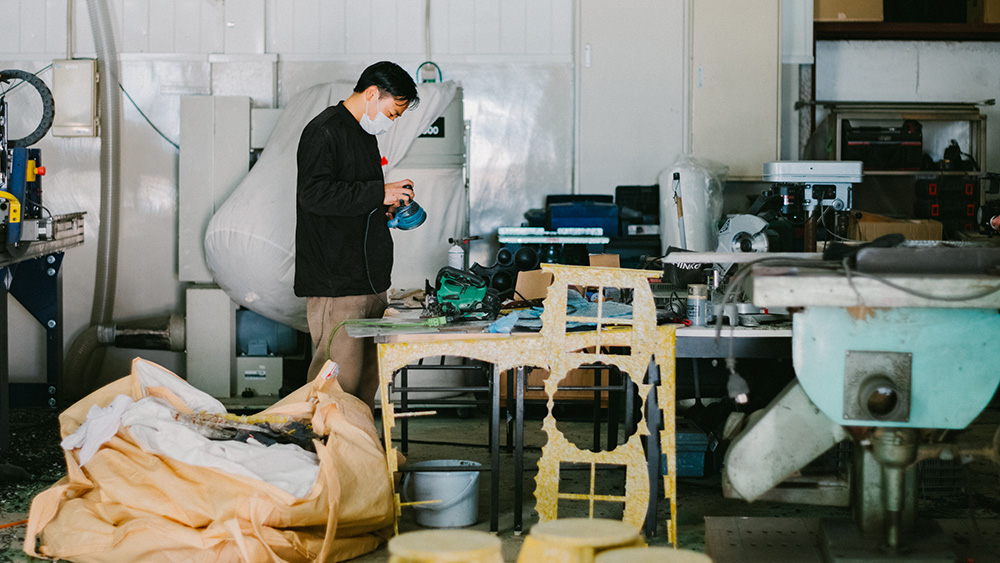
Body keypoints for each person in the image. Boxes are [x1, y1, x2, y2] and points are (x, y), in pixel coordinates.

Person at [295, 61, 419, 410]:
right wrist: (379, 193)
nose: (391, 121)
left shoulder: (363, 135)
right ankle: (324, 442)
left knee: (365, 380)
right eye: (392, 113)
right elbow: (314, 195)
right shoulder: (324, 131)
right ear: (371, 93)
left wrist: (384, 207)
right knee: (336, 382)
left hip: (369, 278)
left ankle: (356, 442)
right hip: (337, 281)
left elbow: (352, 197)